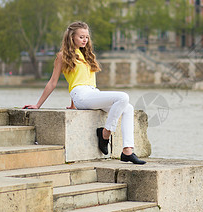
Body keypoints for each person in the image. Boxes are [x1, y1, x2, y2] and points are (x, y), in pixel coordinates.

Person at [22, 21, 145, 164]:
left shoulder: (87, 55)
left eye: (86, 37)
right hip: (81, 95)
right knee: (123, 97)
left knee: (128, 107)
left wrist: (73, 105)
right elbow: (54, 82)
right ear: (71, 37)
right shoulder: (62, 56)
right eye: (81, 37)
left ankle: (127, 150)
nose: (85, 40)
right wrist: (38, 105)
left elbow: (82, 80)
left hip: (92, 93)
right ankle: (105, 134)